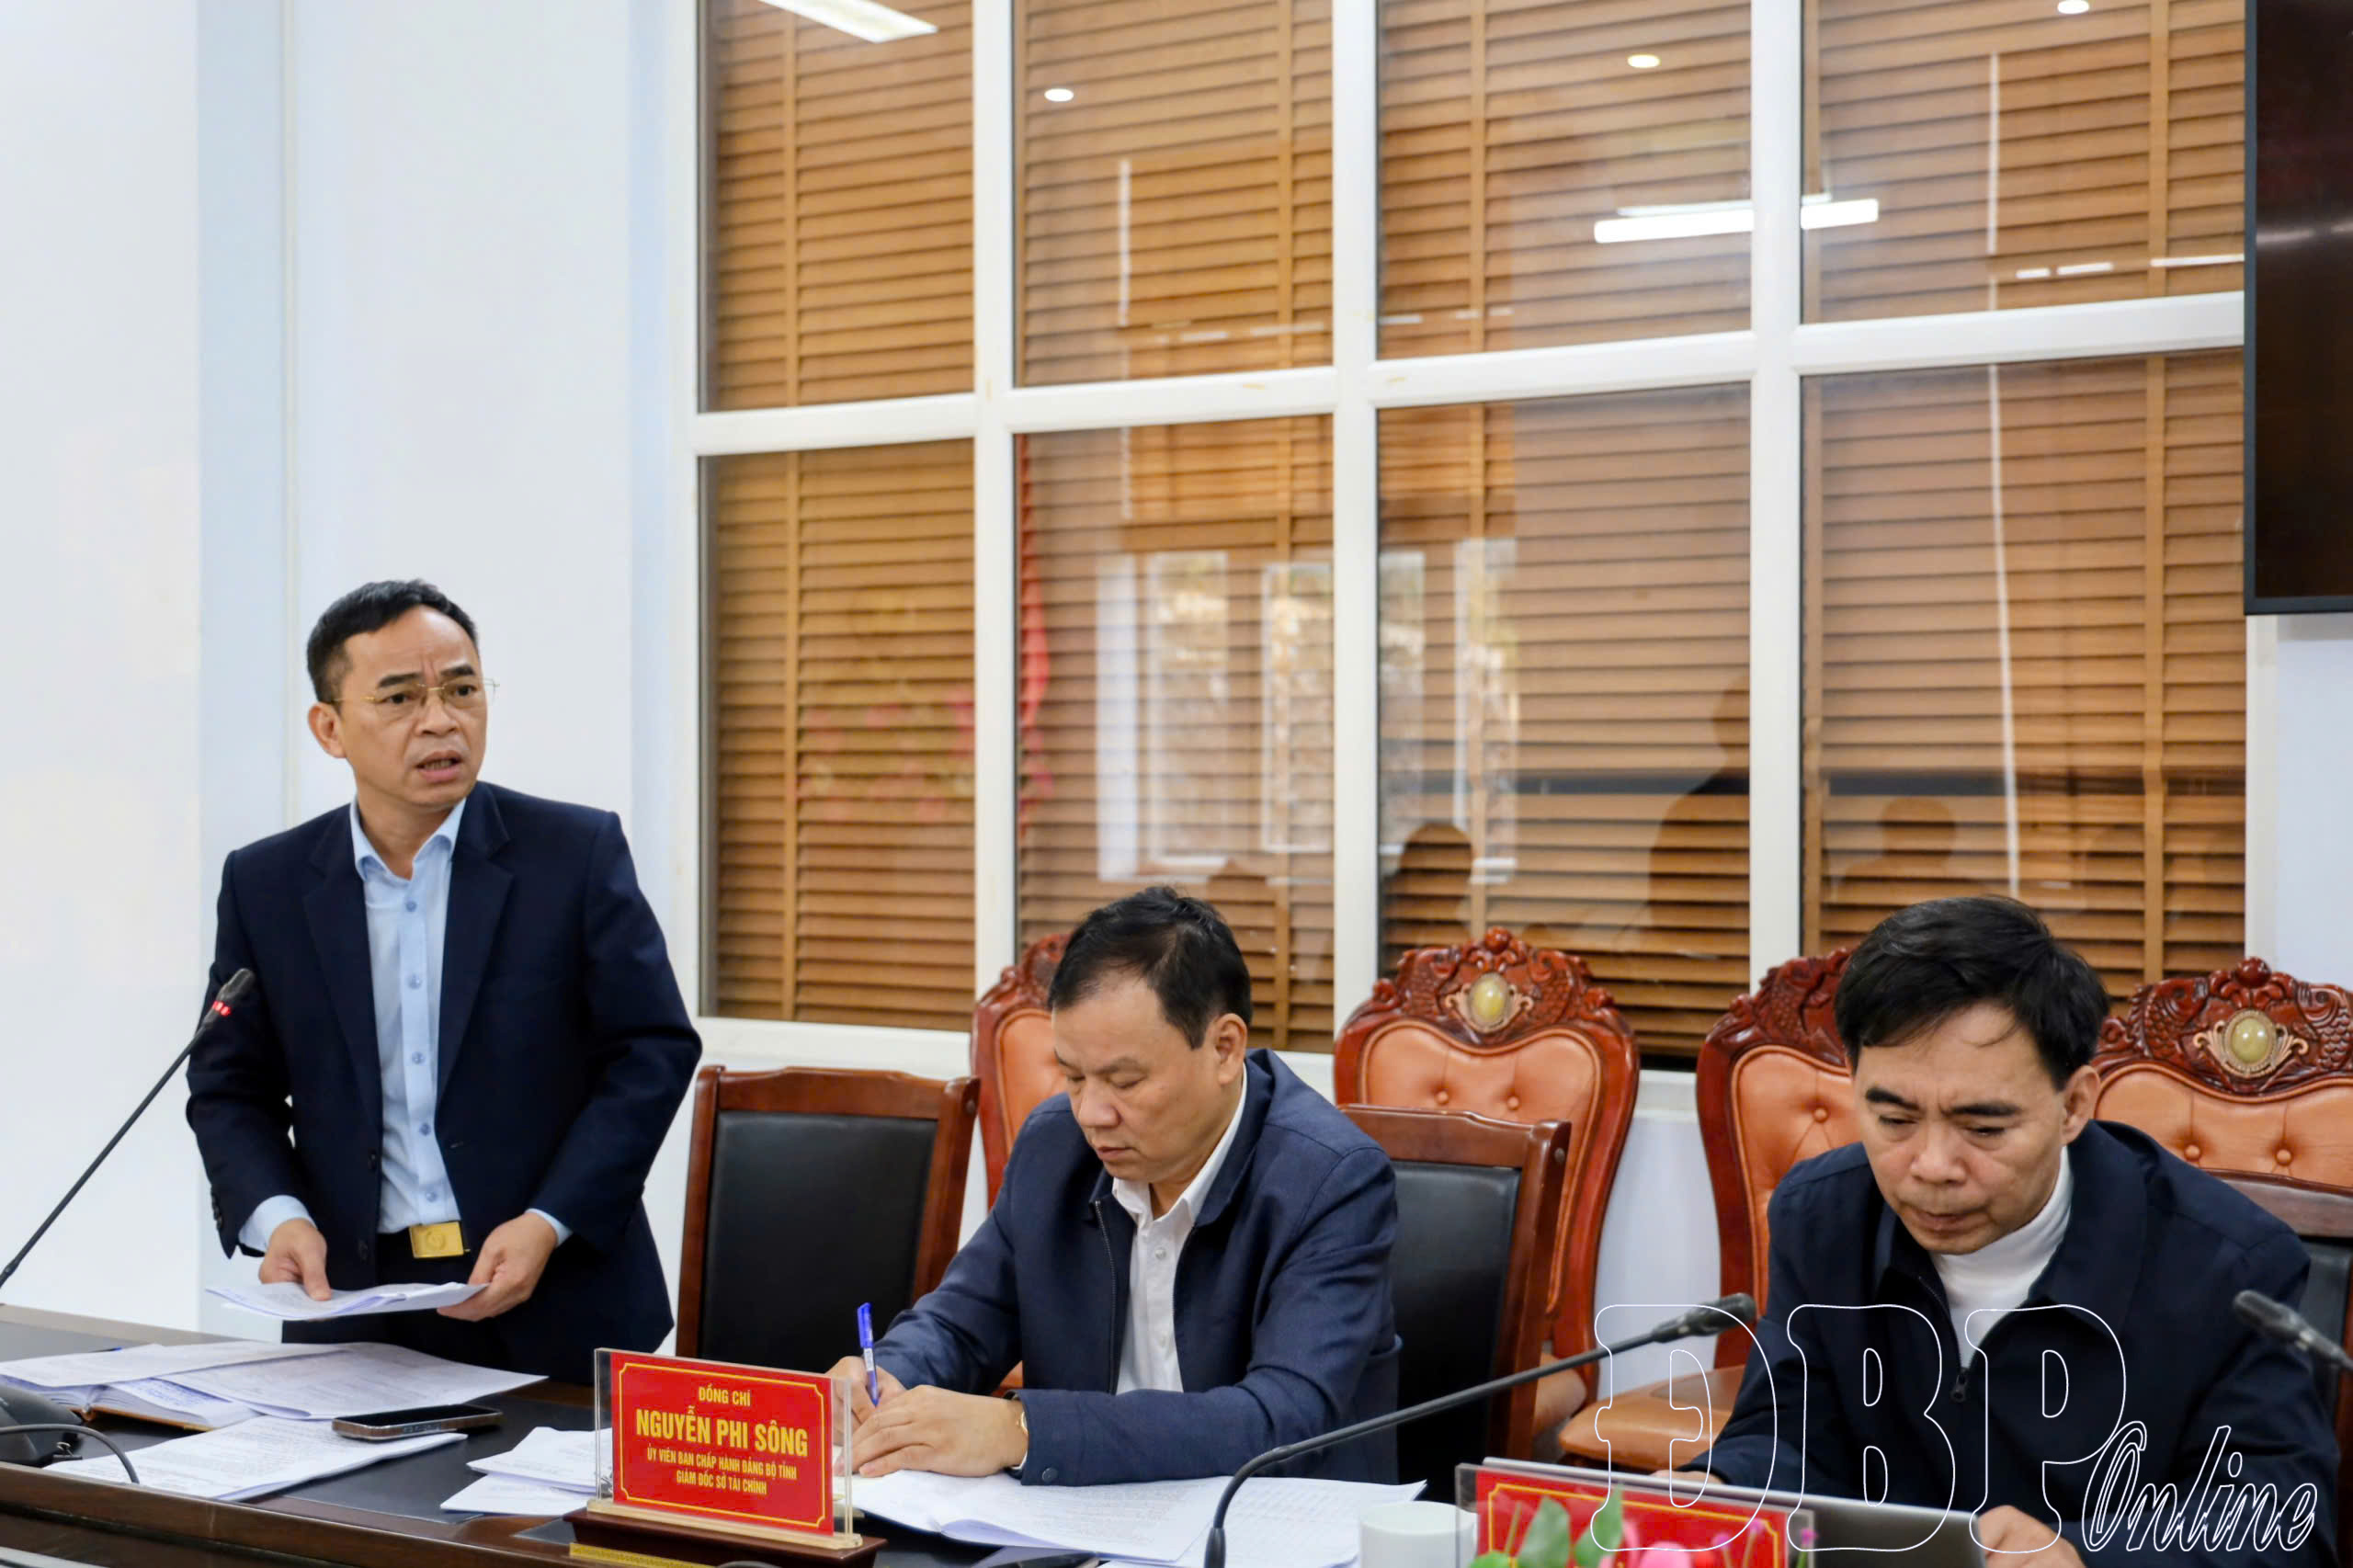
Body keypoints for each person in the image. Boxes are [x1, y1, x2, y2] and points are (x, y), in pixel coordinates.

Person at [1690, 896, 2336, 1566]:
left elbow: (2283, 1524)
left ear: (2074, 1105)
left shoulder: (2229, 1265)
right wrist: (1721, 1491)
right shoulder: (1822, 1216)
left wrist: (2086, 1557)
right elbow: (1789, 1436)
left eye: (1983, 1128)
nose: (1933, 1167)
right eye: (1895, 1120)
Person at [185, 580, 700, 1382]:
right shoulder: (268, 885)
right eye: (399, 698)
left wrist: (549, 1220)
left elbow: (651, 1051)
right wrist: (278, 1217)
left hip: (556, 1295)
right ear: (329, 728)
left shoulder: (572, 855)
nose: (440, 720)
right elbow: (229, 1086)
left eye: (461, 690)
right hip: (352, 1304)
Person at [828, 887, 1400, 1487]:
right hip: (1074, 1521)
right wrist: (888, 1379)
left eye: (1124, 1081)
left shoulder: (1331, 1179)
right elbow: (960, 1325)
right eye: (1073, 1077)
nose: (1092, 1114)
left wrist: (1023, 1430)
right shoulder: (1055, 1147)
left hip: (1267, 1522)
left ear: (1225, 1048)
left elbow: (1281, 1419)